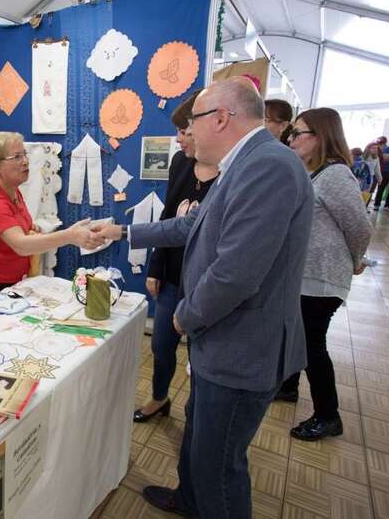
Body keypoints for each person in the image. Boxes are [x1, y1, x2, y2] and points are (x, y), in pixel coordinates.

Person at [94, 77, 313, 518]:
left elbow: (236, 274)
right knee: (199, 438)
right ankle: (189, 499)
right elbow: (191, 226)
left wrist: (183, 318)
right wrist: (122, 231)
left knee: (219, 468)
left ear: (221, 118)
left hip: (241, 350)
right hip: (222, 345)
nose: (188, 132)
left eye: (192, 121)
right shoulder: (245, 163)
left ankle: (204, 502)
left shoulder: (268, 167)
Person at [274, 108, 372, 441]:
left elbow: (360, 227)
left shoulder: (335, 175)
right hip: (304, 276)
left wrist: (356, 259)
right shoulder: (312, 173)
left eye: (297, 133)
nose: (291, 140)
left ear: (320, 136)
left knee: (312, 345)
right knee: (295, 333)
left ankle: (328, 415)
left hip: (322, 278)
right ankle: (289, 386)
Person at [133, 90, 220, 424]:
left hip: (206, 283)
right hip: (172, 276)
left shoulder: (231, 174)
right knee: (161, 345)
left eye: (184, 132)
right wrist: (155, 267)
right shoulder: (181, 163)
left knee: (201, 357)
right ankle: (159, 398)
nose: (179, 139)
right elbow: (169, 218)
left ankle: (197, 413)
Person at [0, 132, 102, 299]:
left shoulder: (12, 190)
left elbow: (14, 229)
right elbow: (21, 246)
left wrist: (29, 229)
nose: (25, 161)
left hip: (13, 282)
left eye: (24, 154)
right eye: (17, 157)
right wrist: (70, 236)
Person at [363, 142, 383, 209]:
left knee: (368, 193)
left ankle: (364, 208)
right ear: (368, 148)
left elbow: (377, 169)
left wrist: (379, 179)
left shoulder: (376, 158)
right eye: (373, 148)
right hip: (361, 177)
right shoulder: (362, 156)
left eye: (376, 148)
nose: (375, 150)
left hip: (370, 178)